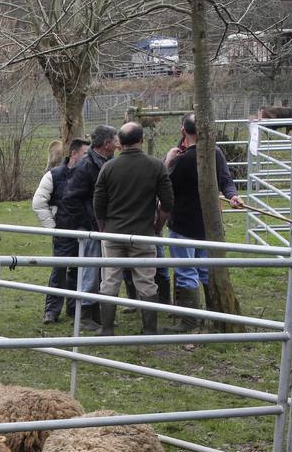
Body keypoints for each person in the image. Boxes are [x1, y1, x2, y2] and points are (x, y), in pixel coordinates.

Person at [91, 122, 173, 336]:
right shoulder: (156, 166)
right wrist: (157, 226)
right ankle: (149, 329)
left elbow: (98, 203)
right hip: (143, 234)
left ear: (120, 142)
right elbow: (167, 203)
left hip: (113, 233)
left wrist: (103, 229)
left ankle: (106, 328)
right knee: (146, 281)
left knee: (109, 280)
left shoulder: (108, 167)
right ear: (141, 140)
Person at [163, 114, 243, 332]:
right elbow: (226, 180)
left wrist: (167, 161)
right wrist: (233, 195)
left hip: (183, 226)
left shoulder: (181, 160)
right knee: (205, 270)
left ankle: (189, 322)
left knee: (186, 270)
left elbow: (164, 188)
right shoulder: (214, 153)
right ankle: (212, 314)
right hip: (206, 225)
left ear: (183, 132)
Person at [59, 125, 118, 330]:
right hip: (90, 227)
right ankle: (84, 315)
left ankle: (95, 313)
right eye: (115, 138)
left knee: (101, 271)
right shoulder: (86, 166)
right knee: (90, 272)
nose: (118, 142)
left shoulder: (106, 162)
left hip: (101, 225)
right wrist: (87, 221)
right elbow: (70, 197)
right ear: (106, 143)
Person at [32, 138, 88, 324]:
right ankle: (52, 311)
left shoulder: (89, 174)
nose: (89, 158)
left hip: (84, 230)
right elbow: (39, 202)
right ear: (74, 154)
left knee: (79, 270)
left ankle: (74, 308)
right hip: (63, 231)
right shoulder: (54, 175)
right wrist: (53, 228)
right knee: (59, 270)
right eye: (85, 154)